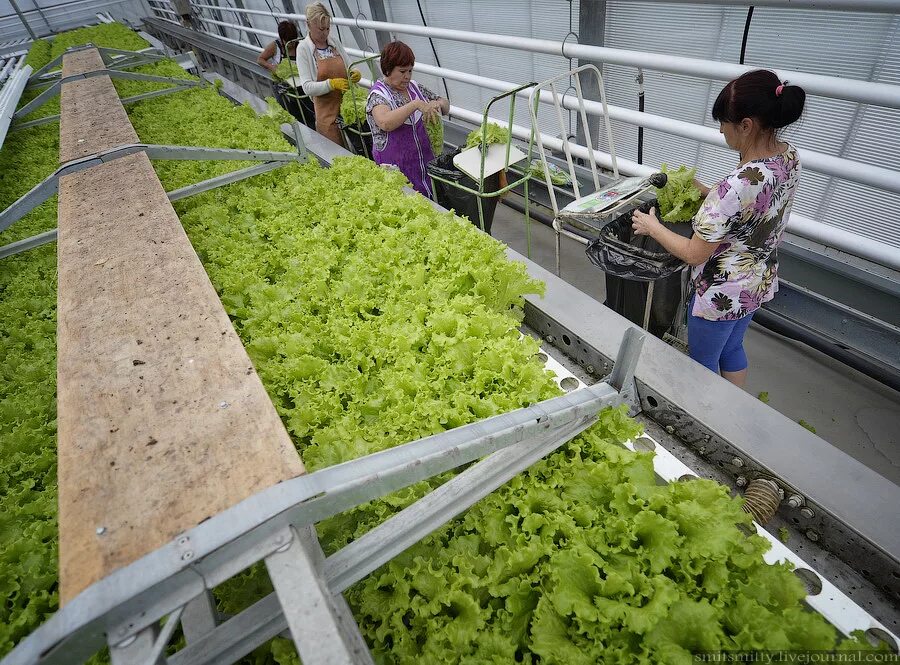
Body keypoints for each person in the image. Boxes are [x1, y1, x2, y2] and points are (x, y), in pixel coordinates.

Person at [631, 69, 805, 388]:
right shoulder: (788, 157)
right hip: (756, 281)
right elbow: (754, 203)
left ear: (746, 125)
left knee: (703, 363)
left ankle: (709, 415)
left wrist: (651, 226)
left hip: (720, 295)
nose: (721, 130)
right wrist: (706, 191)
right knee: (732, 349)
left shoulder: (733, 187)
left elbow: (694, 254)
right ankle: (734, 410)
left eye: (723, 122)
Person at [366, 41, 449, 198]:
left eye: (410, 71)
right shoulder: (378, 95)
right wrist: (415, 104)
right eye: (402, 71)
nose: (407, 76)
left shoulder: (414, 87)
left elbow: (446, 105)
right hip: (398, 175)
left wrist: (437, 104)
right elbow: (385, 122)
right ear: (388, 69)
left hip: (424, 170)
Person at [295, 2, 360, 146]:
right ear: (308, 25)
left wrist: (355, 73)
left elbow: (350, 66)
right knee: (336, 152)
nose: (325, 33)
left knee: (358, 149)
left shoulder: (334, 43)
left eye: (327, 28)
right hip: (326, 114)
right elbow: (307, 87)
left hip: (347, 110)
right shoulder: (303, 49)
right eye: (321, 29)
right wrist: (331, 84)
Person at [256, 20, 314, 127]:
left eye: (293, 41)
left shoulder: (300, 45)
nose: (291, 44)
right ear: (282, 38)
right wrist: (272, 67)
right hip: (283, 88)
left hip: (299, 85)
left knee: (308, 114)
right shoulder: (275, 46)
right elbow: (260, 59)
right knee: (290, 115)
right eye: (288, 41)